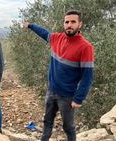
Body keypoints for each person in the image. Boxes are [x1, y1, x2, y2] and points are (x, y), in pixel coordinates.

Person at [24, 10, 94, 141]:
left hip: (67, 96)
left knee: (68, 127)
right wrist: (31, 26)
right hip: (51, 91)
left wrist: (79, 99)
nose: (69, 25)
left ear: (80, 24)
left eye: (73, 22)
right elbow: (44, 33)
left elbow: (87, 77)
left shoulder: (85, 47)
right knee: (47, 122)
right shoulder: (57, 38)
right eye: (67, 22)